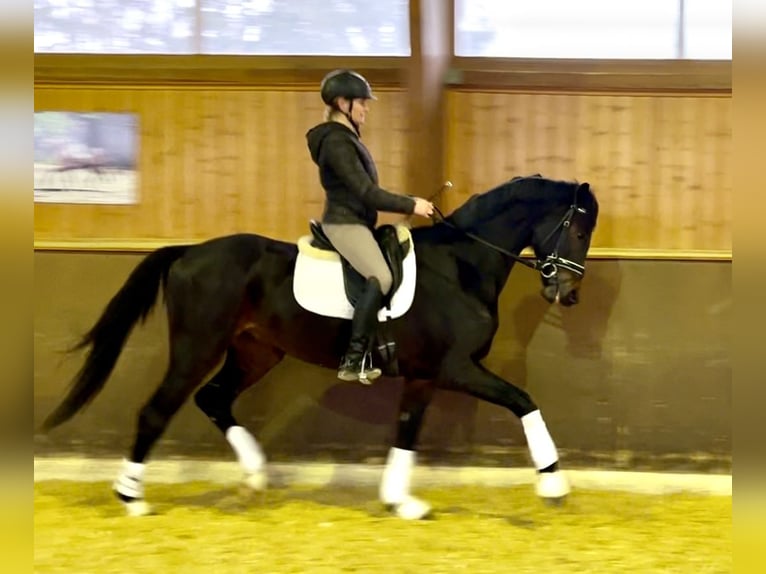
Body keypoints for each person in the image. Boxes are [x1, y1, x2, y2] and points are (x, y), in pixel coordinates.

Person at [306, 69, 434, 383]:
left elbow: (367, 191)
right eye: (362, 102)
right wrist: (410, 205)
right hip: (344, 224)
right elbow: (366, 193)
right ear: (342, 103)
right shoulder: (336, 141)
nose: (367, 108)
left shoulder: (346, 139)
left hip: (358, 222)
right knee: (382, 276)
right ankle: (354, 358)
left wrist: (409, 200)